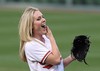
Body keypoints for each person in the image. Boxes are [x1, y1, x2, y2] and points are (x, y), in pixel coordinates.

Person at [19, 7, 75, 71]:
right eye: (38, 19)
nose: (43, 20)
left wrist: (72, 57)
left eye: (43, 17)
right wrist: (51, 36)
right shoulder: (31, 45)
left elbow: (57, 66)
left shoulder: (46, 39)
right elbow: (56, 60)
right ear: (30, 25)